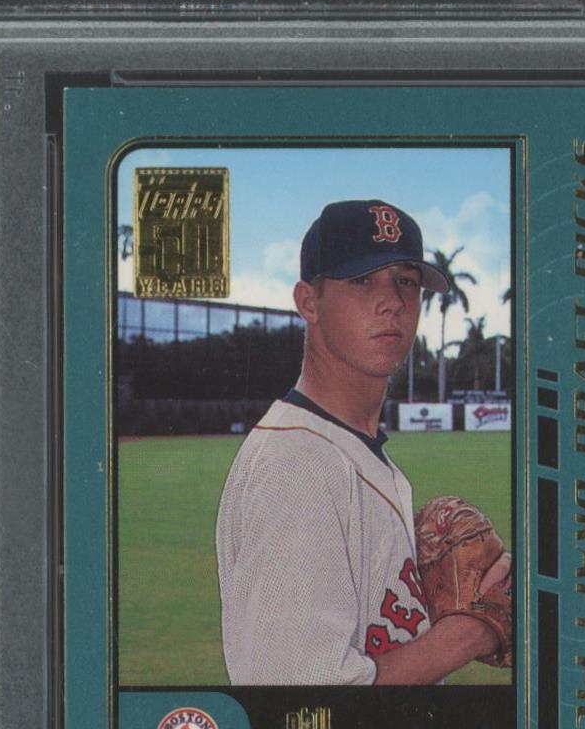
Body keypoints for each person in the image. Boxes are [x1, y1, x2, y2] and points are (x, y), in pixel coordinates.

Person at [216, 199, 510, 684]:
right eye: (362, 280)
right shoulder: (298, 463)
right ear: (309, 302)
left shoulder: (353, 452)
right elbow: (301, 707)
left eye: (406, 282)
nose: (392, 301)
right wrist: (468, 634)